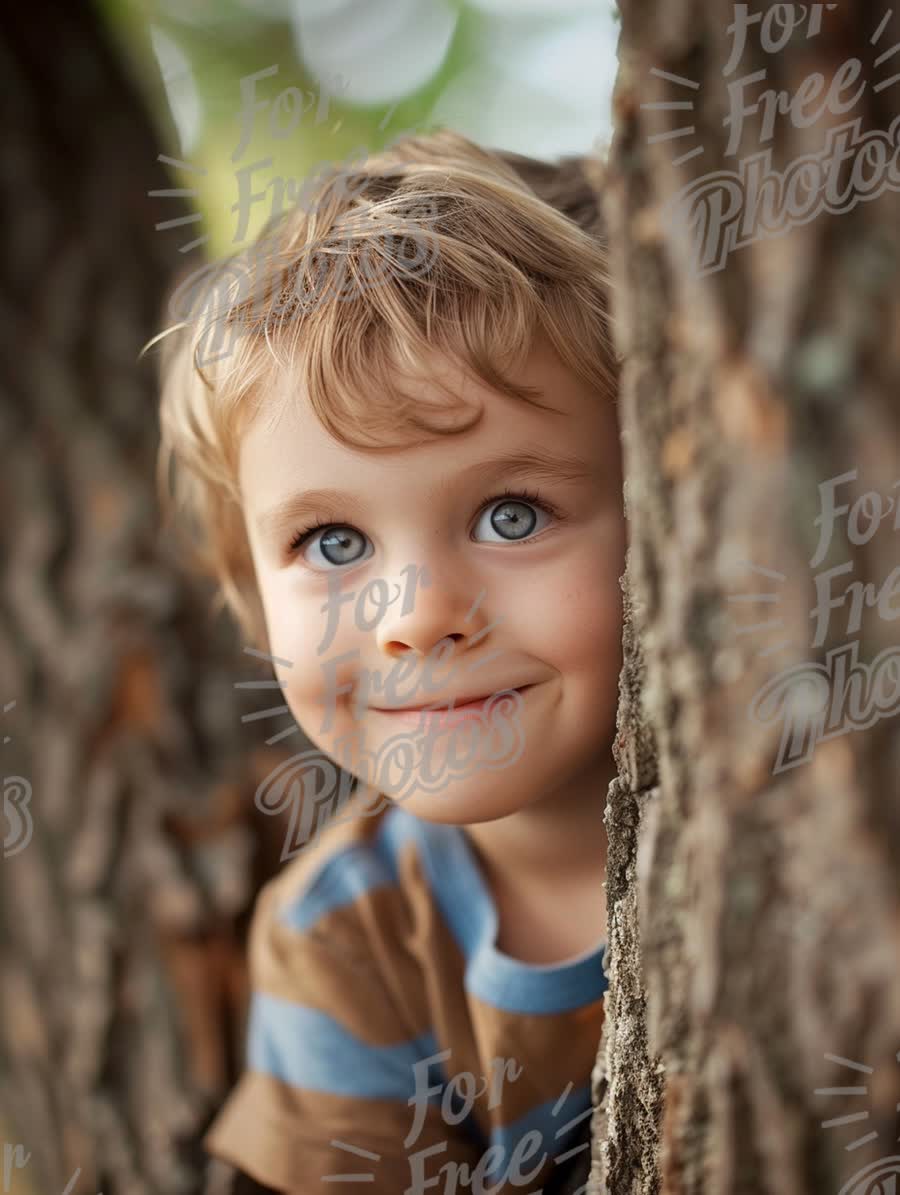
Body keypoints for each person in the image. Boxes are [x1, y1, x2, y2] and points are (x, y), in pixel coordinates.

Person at [154, 127, 625, 1194]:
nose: (415, 619)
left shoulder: (816, 811)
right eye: (333, 543)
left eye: (512, 513)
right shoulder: (343, 945)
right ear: (248, 590)